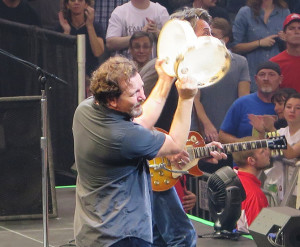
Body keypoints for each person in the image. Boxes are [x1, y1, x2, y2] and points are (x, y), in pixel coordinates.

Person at [72, 55, 226, 246]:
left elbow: (142, 120)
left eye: (141, 87)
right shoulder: (122, 136)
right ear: (112, 100)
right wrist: (186, 98)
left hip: (92, 234)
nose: (143, 96)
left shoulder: (86, 109)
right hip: (122, 236)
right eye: (134, 93)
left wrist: (165, 80)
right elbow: (176, 144)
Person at [192, 17, 250, 143]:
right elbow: (195, 99)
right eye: (207, 33)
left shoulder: (240, 62)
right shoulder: (196, 62)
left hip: (230, 129)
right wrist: (207, 125)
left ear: (225, 39)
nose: (210, 37)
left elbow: (243, 100)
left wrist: (234, 128)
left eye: (214, 34)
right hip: (202, 128)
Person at [232, 0, 290, 92]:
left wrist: (286, 39)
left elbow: (292, 48)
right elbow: (234, 47)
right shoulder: (245, 12)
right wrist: (259, 43)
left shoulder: (284, 12)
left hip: (277, 78)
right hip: (251, 75)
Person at [219, 61, 282, 144]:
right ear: (256, 79)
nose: (266, 78)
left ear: (280, 79)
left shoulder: (288, 106)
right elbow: (222, 135)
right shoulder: (241, 103)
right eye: (262, 74)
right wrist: (244, 145)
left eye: (271, 75)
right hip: (246, 155)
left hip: (281, 155)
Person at [56, 0, 105, 96]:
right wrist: (66, 32)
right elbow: (59, 57)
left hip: (91, 78)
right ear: (67, 5)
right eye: (72, 0)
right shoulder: (61, 27)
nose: (76, 2)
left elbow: (98, 52)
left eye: (80, 0)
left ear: (86, 4)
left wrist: (89, 26)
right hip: (68, 78)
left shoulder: (96, 26)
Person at [232, 136, 270, 232]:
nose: (268, 153)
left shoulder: (230, 177)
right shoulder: (255, 195)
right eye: (262, 151)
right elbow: (259, 233)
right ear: (251, 160)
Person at [270, 13, 300, 92]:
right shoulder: (275, 63)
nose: (297, 31)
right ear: (283, 34)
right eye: (291, 28)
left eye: (299, 28)